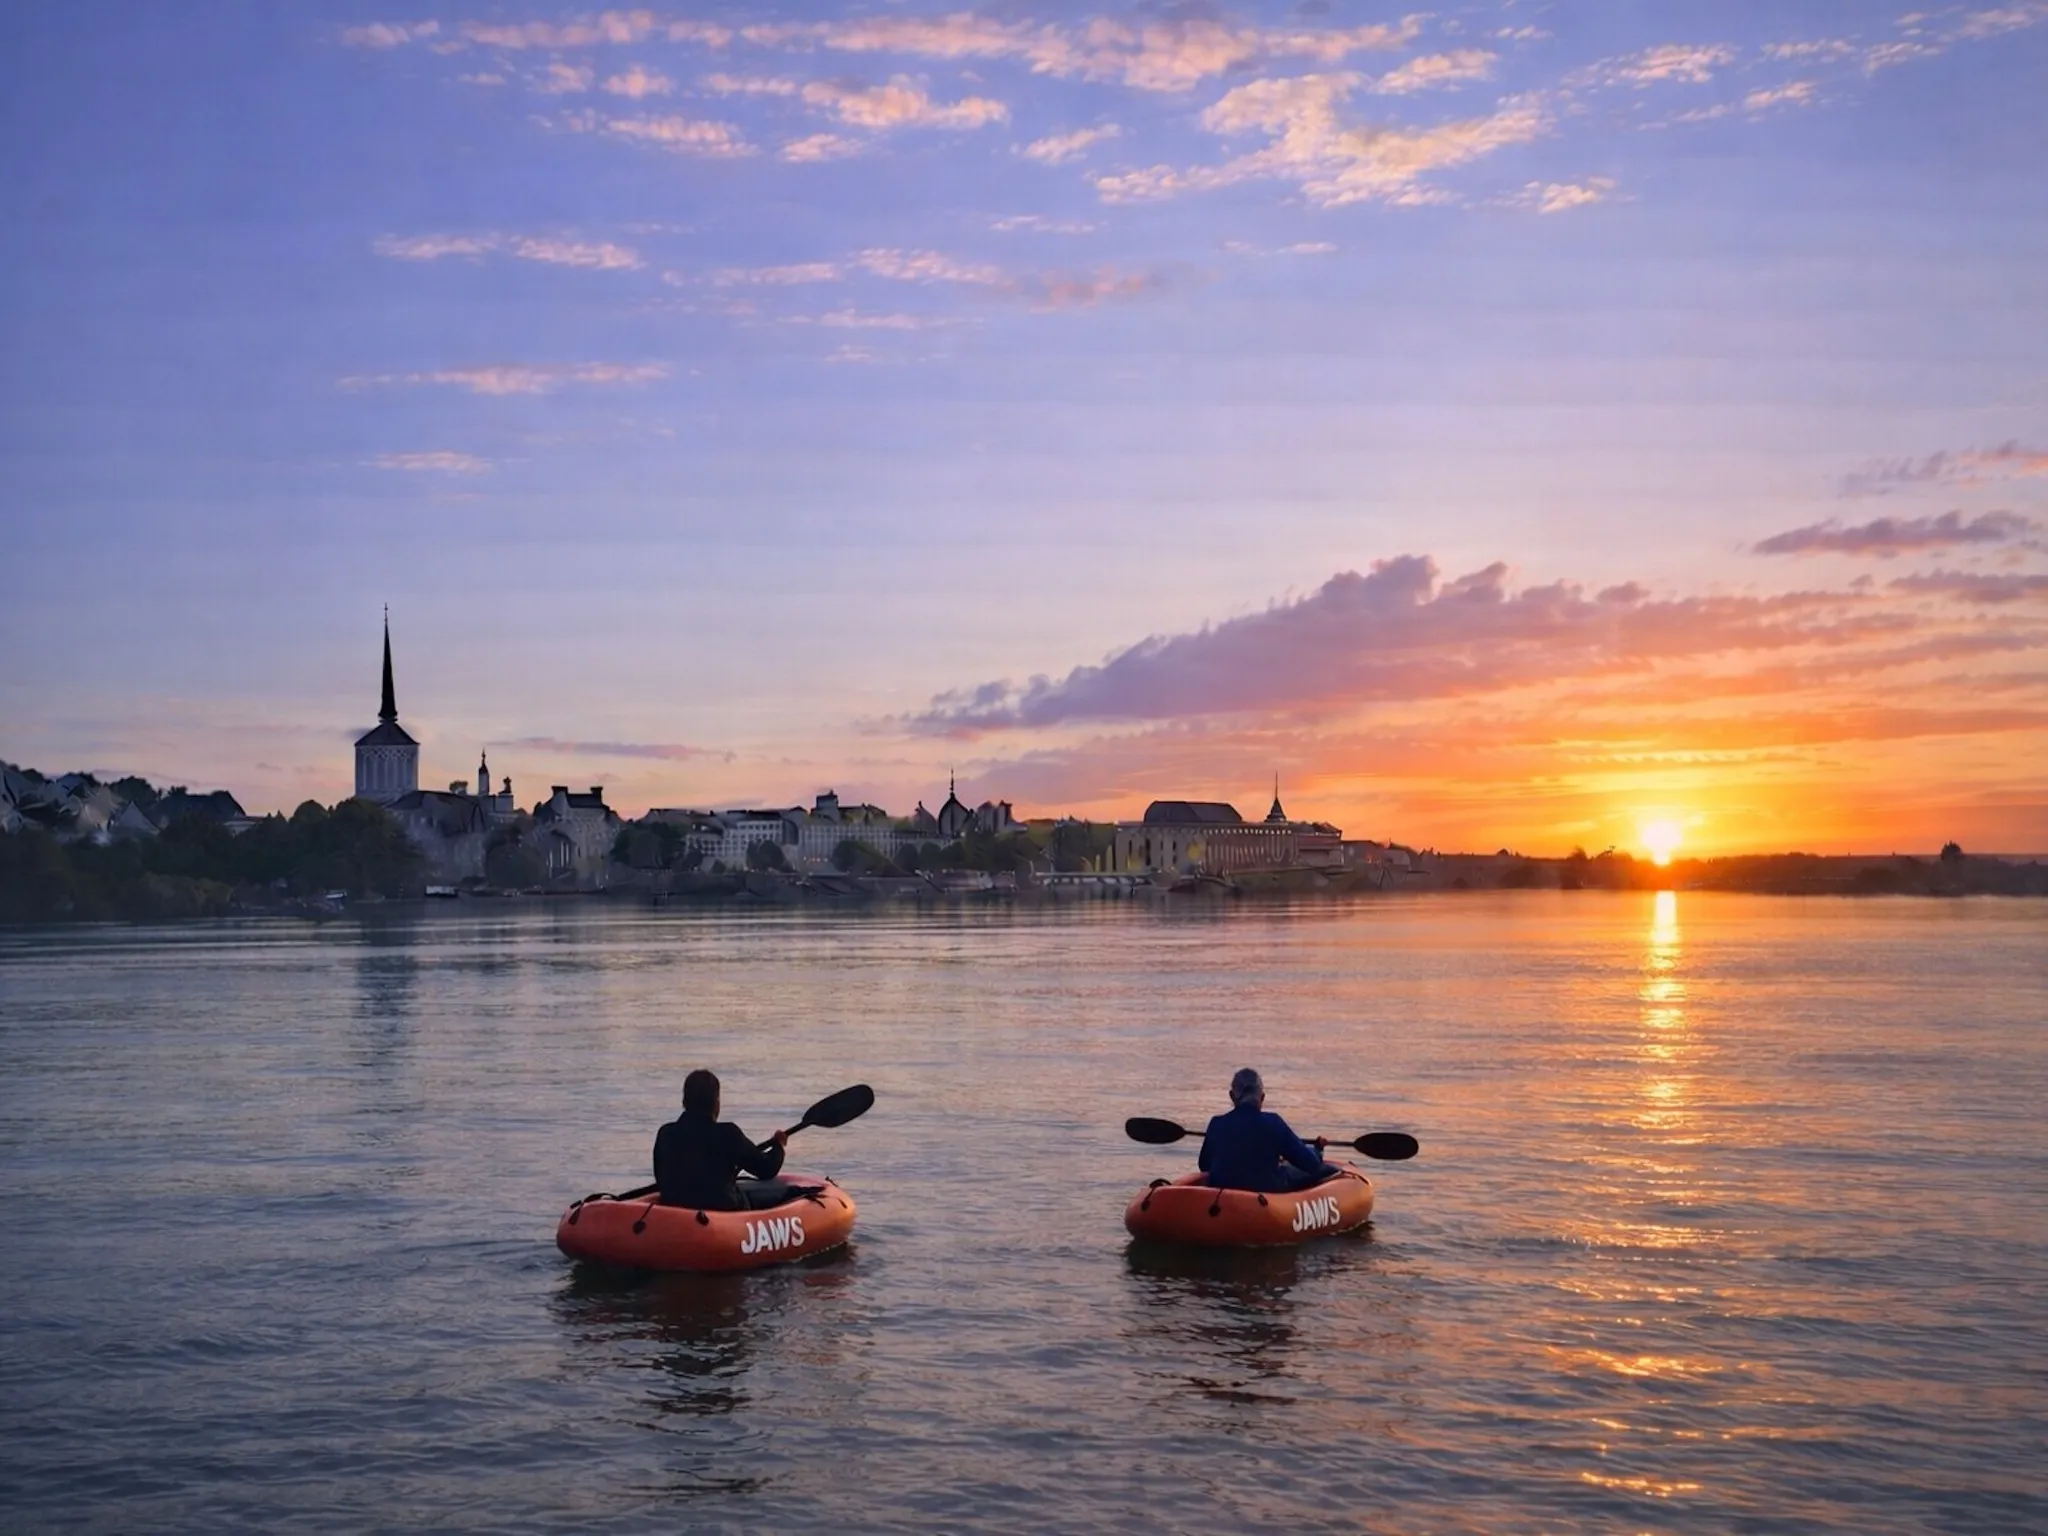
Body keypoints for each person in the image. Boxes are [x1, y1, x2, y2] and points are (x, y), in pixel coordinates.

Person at [653, 1068, 793, 1211]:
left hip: (674, 1211)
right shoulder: (728, 1134)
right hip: (722, 1210)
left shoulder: (666, 1134)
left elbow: (661, 1178)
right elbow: (766, 1169)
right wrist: (778, 1147)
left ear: (684, 1101)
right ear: (716, 1102)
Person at [1198, 1068, 1340, 1193]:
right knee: (1321, 1169)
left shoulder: (1216, 1124)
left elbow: (1204, 1165)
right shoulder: (1273, 1123)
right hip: (1266, 1190)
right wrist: (1317, 1150)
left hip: (1222, 1192)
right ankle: (1323, 1157)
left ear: (1232, 1096)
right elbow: (1310, 1164)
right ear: (1262, 1097)